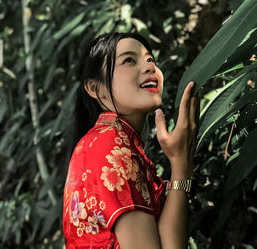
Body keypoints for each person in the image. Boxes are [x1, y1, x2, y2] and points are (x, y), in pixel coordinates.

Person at [63, 32, 199, 249]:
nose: (149, 66)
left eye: (150, 59)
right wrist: (181, 162)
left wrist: (181, 162)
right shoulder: (109, 147)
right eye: (129, 60)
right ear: (95, 88)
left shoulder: (112, 142)